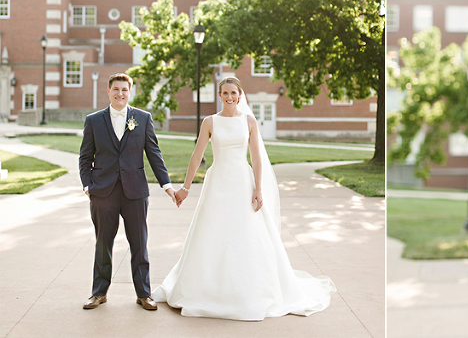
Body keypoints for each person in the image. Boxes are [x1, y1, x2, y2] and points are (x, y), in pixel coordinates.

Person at [153, 76, 335, 320]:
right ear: (220, 95)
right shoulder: (210, 122)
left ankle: (252, 289)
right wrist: (185, 188)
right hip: (217, 182)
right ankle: (204, 287)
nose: (229, 97)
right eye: (225, 93)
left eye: (233, 93)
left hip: (242, 181)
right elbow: (196, 156)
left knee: (246, 232)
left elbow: (257, 157)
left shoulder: (249, 121)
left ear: (240, 95)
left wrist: (258, 188)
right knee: (211, 231)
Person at [78, 72, 176, 311]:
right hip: (103, 192)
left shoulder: (142, 118)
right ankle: (98, 293)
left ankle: (144, 293)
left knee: (139, 243)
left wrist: (167, 185)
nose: (120, 93)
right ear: (109, 91)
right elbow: (85, 157)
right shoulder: (93, 120)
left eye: (124, 89)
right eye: (116, 89)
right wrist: (87, 185)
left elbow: (154, 154)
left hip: (135, 192)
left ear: (129, 92)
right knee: (103, 244)